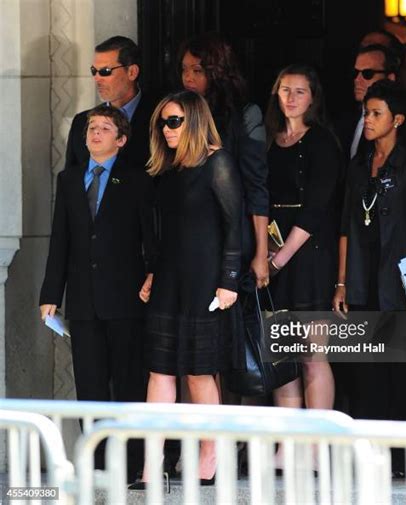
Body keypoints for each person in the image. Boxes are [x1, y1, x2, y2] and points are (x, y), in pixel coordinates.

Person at [132, 90, 243, 487]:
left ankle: (210, 455)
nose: (166, 129)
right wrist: (151, 273)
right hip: (169, 279)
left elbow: (235, 225)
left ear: (194, 120)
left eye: (174, 121)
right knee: (159, 371)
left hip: (205, 281)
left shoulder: (218, 162)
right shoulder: (169, 170)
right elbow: (165, 235)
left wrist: (229, 280)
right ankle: (152, 463)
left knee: (199, 372)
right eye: (163, 122)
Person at [39, 104, 156, 480]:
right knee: (89, 384)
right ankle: (98, 463)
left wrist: (153, 275)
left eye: (105, 128)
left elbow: (150, 237)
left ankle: (132, 464)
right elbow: (61, 240)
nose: (95, 134)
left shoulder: (137, 180)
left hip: (126, 298)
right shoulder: (69, 180)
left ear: (121, 140)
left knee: (127, 382)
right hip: (84, 301)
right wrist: (50, 293)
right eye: (92, 127)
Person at [332, 80, 406, 470]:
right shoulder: (359, 167)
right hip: (363, 281)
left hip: (404, 285)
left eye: (376, 113)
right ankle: (372, 454)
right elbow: (345, 227)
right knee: (367, 373)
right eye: (366, 113)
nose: (368, 120)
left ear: (397, 119)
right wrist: (342, 282)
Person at [265, 64, 343, 470]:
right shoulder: (269, 140)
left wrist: (277, 258)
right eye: (284, 90)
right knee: (283, 352)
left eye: (299, 91)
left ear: (313, 97)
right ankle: (288, 441)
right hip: (274, 252)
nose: (291, 97)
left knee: (313, 352)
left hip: (308, 254)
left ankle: (316, 444)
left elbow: (315, 209)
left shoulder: (323, 142)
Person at [178, 33, 269, 288]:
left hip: (230, 234)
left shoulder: (244, 116)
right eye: (184, 70)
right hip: (189, 233)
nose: (188, 77)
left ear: (216, 72)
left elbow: (256, 187)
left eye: (197, 70)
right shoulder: (178, 116)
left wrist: (261, 253)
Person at [65, 36, 156, 170]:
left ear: (132, 72)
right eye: (94, 71)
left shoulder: (159, 118)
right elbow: (69, 182)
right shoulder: (81, 122)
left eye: (105, 71)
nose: (97, 78)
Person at [335, 44, 398, 162]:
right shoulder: (345, 118)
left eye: (367, 73)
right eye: (355, 73)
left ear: (390, 78)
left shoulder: (401, 124)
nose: (357, 80)